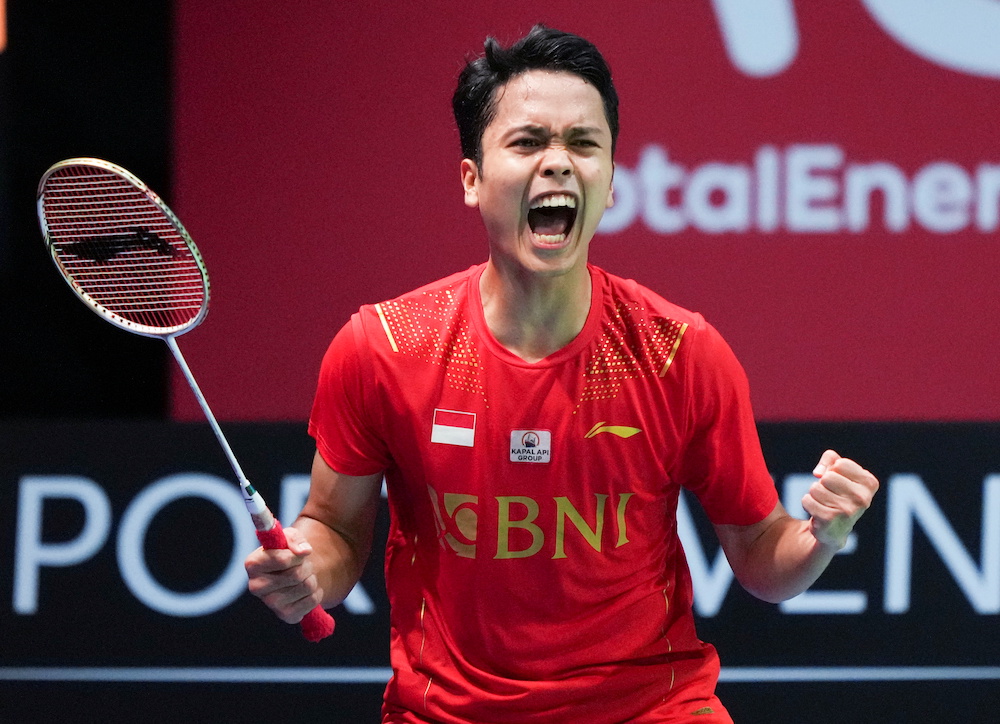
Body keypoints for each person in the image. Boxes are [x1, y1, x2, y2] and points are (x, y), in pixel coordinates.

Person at [245, 24, 879, 723]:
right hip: (450, 713)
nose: (559, 164)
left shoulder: (679, 353)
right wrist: (308, 568)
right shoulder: (384, 347)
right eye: (527, 143)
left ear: (610, 182)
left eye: (584, 144)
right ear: (471, 179)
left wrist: (822, 536)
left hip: (650, 709)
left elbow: (762, 556)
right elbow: (335, 530)